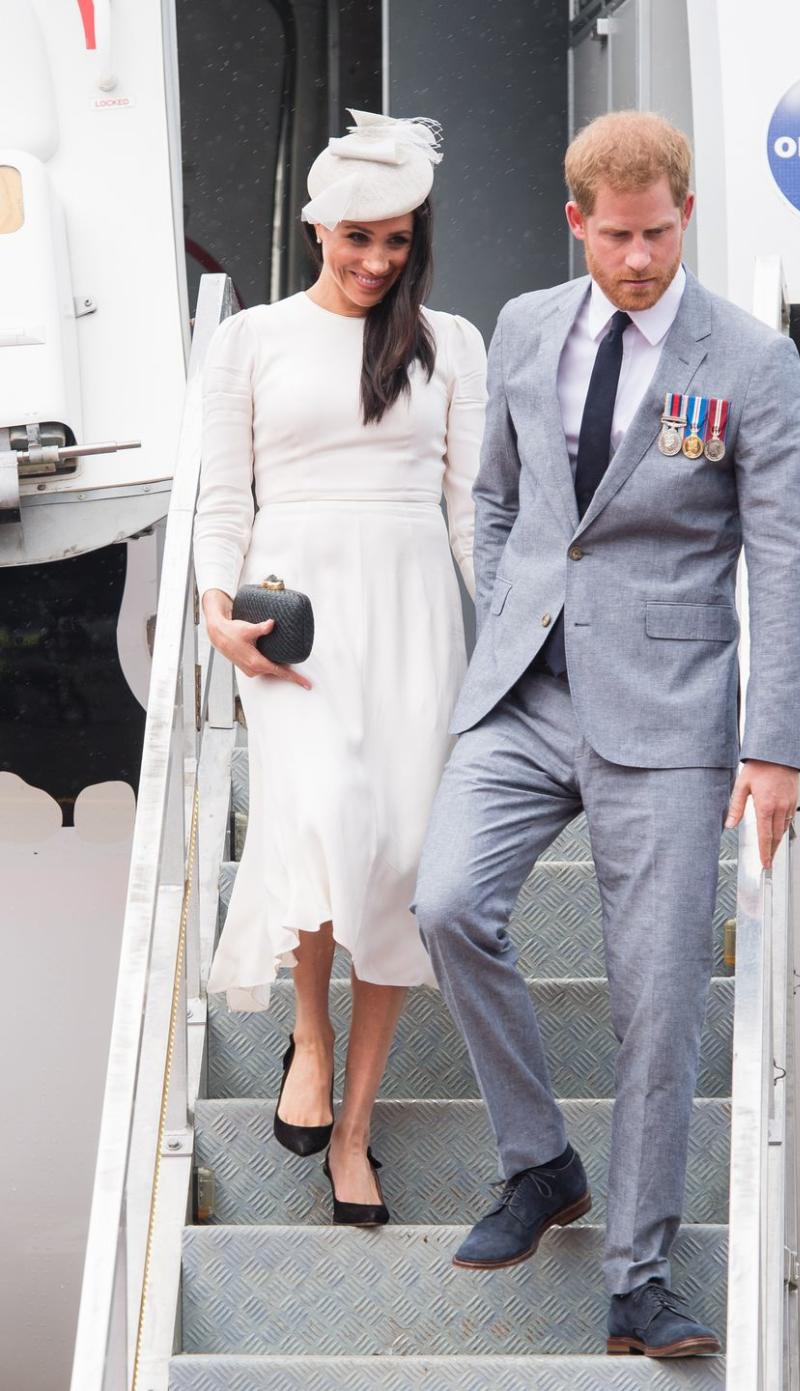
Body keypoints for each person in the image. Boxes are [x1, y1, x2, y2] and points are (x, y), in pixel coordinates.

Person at [415, 110, 800, 1356]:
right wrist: (517, 619)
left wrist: (774, 743)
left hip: (672, 713)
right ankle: (540, 1160)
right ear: (576, 221)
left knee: (660, 1002)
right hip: (526, 692)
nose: (639, 259)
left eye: (658, 234)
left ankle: (641, 1278)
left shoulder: (748, 358)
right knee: (444, 904)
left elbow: (789, 555)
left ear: (683, 215)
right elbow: (496, 499)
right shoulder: (530, 324)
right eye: (617, 237)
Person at [194, 109, 485, 1225]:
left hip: (414, 616)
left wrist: (512, 638)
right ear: (318, 223)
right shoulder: (252, 338)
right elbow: (227, 498)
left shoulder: (449, 341)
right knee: (325, 821)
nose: (376, 262)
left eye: (399, 241)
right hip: (296, 617)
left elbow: (473, 514)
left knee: (400, 858)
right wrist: (217, 611)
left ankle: (355, 1128)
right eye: (358, 237)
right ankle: (306, 1035)